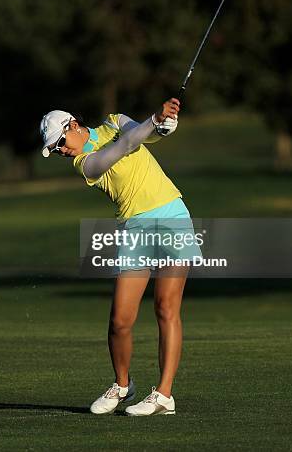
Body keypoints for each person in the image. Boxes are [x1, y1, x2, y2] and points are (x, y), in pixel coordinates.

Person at [40, 99, 202, 416]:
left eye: (59, 143)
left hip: (172, 214)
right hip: (134, 226)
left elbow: (146, 136)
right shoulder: (85, 163)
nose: (60, 151)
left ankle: (164, 395)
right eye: (54, 150)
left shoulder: (115, 120)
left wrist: (163, 124)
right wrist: (153, 120)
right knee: (120, 321)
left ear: (73, 124)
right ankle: (122, 385)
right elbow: (126, 145)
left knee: (166, 308)